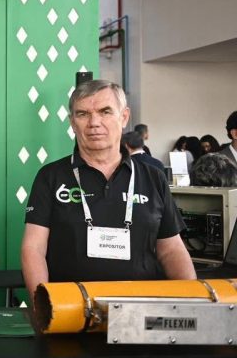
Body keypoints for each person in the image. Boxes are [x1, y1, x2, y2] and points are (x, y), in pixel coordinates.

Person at [21, 80, 195, 302]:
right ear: (72, 122)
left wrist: (193, 301)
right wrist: (43, 305)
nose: (94, 123)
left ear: (124, 117)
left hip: (143, 306)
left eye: (105, 112)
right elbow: (33, 249)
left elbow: (171, 250)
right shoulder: (50, 177)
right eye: (83, 114)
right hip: (71, 307)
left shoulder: (153, 177)